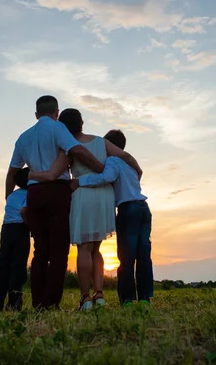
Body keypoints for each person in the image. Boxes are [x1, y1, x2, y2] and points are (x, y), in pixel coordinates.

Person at [8, 96, 141, 310]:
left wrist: (33, 175)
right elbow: (125, 156)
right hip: (104, 197)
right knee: (96, 249)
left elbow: (51, 173)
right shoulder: (101, 141)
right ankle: (99, 294)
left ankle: (84, 297)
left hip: (81, 195)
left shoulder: (68, 148)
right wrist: (138, 171)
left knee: (80, 249)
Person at [70, 130, 153, 306]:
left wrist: (79, 182)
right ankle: (145, 298)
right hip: (143, 208)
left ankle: (128, 299)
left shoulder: (112, 161)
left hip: (128, 209)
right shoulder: (129, 164)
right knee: (144, 255)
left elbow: (106, 177)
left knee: (126, 256)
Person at [0, 167, 30, 311]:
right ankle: (14, 303)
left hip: (6, 229)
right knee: (18, 268)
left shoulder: (12, 195)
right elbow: (24, 212)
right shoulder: (29, 194)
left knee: (3, 266)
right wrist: (33, 227)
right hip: (20, 229)